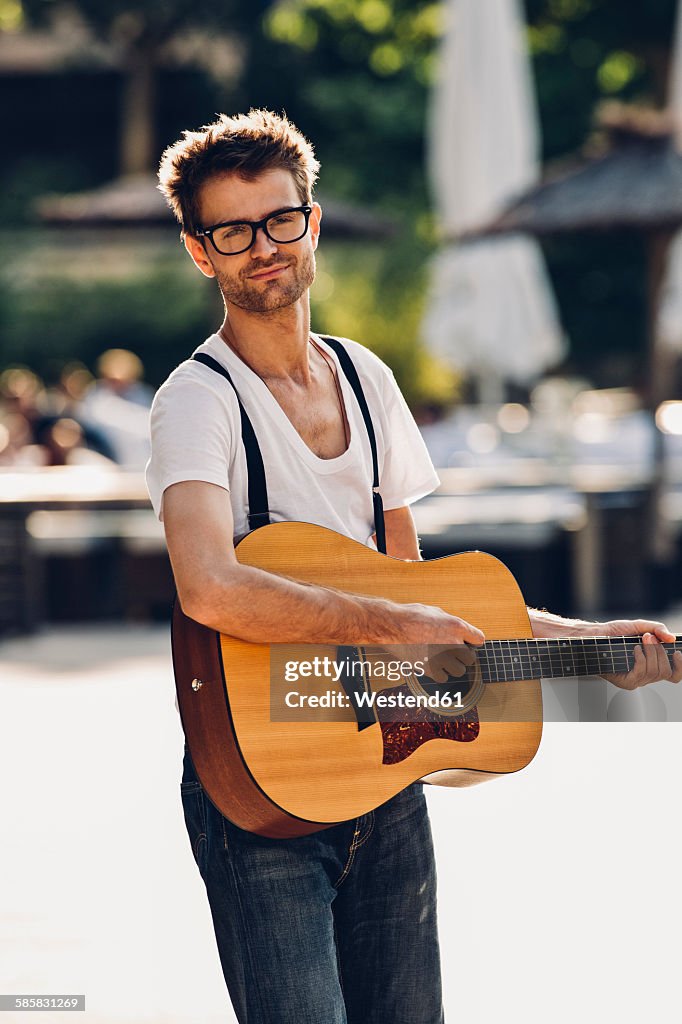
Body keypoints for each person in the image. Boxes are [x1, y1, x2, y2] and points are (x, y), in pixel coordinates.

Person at [146, 109, 682, 1024]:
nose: (261, 248)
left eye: (278, 220)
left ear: (309, 223)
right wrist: (393, 628)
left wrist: (593, 645)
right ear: (203, 253)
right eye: (231, 232)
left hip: (380, 780)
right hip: (257, 788)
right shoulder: (196, 403)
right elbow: (209, 585)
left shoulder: (367, 380)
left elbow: (425, 600)